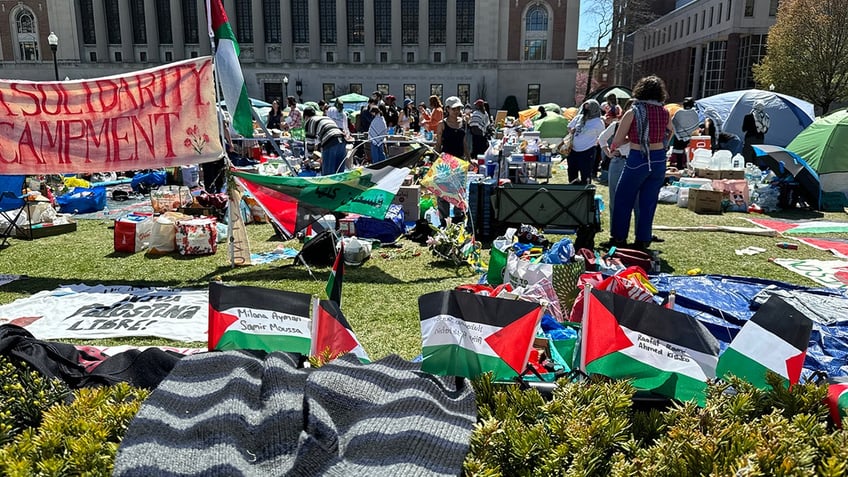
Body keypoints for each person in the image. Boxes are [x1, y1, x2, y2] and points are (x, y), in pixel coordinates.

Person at [606, 75, 673, 250]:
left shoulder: (633, 111)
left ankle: (619, 238)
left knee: (623, 198)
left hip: (638, 156)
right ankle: (643, 239)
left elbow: (618, 139)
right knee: (648, 201)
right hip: (658, 158)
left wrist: (619, 145)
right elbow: (671, 132)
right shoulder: (665, 112)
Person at [598, 99, 634, 228]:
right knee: (615, 197)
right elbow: (602, 139)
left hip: (636, 162)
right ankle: (616, 230)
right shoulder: (617, 125)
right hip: (619, 161)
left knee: (635, 199)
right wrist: (608, 153)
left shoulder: (644, 127)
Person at [434, 96, 468, 224]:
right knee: (443, 192)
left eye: (458, 108)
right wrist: (435, 159)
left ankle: (458, 218)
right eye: (454, 109)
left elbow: (464, 143)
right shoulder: (442, 124)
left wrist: (468, 159)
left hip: (459, 161)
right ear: (447, 109)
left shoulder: (463, 122)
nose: (457, 111)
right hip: (445, 162)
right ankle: (444, 219)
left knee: (458, 192)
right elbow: (438, 144)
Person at [566, 99, 605, 184]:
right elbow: (569, 127)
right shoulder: (578, 118)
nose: (586, 111)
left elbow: (602, 135)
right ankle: (572, 190)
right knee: (572, 173)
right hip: (573, 149)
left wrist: (596, 142)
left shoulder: (598, 122)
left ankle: (585, 193)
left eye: (588, 109)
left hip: (588, 150)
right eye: (585, 108)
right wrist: (571, 130)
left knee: (585, 174)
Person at [303, 106, 347, 175]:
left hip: (330, 142)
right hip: (342, 140)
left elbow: (310, 143)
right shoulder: (325, 118)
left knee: (328, 174)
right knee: (339, 173)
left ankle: (329, 186)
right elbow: (317, 141)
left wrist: (309, 157)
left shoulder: (309, 122)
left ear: (305, 117)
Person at [669, 97, 700, 169]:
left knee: (679, 152)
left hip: (679, 136)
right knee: (690, 152)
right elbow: (696, 125)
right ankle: (688, 166)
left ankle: (679, 166)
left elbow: (673, 123)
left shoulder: (678, 112)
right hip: (690, 136)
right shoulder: (694, 113)